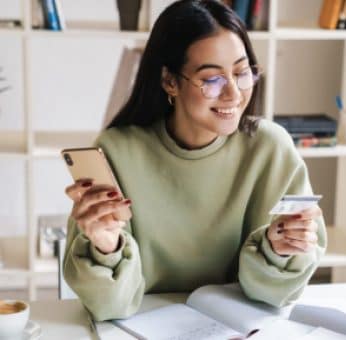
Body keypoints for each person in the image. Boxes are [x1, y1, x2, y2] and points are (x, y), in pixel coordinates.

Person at [63, 0, 326, 321]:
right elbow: (110, 307)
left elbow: (273, 297)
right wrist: (106, 247)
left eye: (242, 73)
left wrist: (280, 250)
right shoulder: (117, 150)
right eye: (212, 79)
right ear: (170, 81)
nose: (233, 94)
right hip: (142, 327)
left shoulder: (271, 149)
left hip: (239, 326)